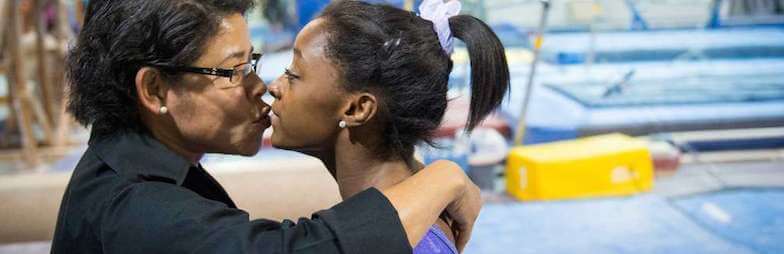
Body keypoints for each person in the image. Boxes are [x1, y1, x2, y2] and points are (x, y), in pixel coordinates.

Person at [51, 0, 481, 253]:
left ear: (357, 108)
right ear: (156, 89)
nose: (263, 86)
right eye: (234, 70)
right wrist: (446, 176)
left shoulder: (134, 166)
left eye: (253, 63)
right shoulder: (135, 210)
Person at [267, 0, 509, 253]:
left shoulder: (412, 242)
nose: (274, 86)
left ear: (357, 109)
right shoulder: (397, 224)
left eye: (293, 75)